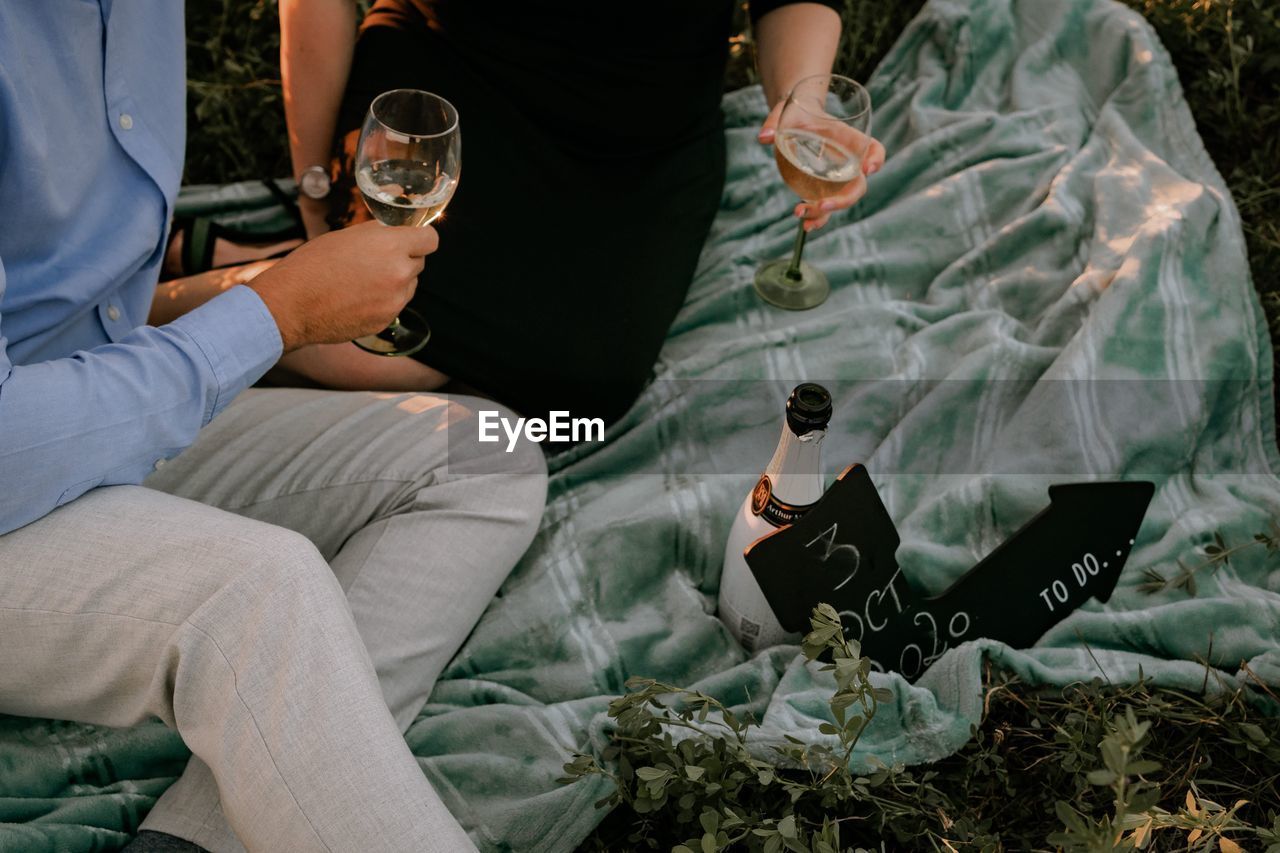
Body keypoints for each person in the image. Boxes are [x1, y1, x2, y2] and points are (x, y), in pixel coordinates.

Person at [0, 5, 547, 853]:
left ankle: (201, 837)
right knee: (258, 593)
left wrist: (257, 289)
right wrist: (275, 312)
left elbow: (88, 299)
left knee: (487, 451)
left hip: (97, 395)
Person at [275, 0, 887, 426]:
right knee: (373, 343)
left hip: (641, 143)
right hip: (452, 86)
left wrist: (804, 100)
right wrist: (314, 194)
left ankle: (228, 260)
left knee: (587, 399)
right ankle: (189, 312)